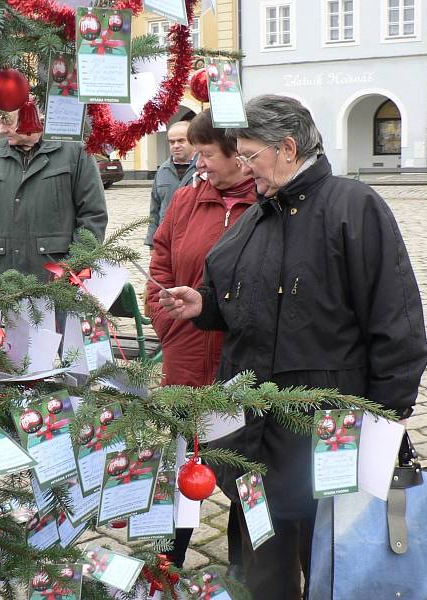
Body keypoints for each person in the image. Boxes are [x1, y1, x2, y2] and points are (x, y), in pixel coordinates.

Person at [158, 95, 427, 600]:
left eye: (249, 154)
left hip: (326, 435)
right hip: (256, 442)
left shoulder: (353, 207)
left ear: (286, 148)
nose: (242, 165)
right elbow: (241, 300)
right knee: (265, 571)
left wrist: (384, 422)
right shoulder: (260, 216)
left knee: (331, 564)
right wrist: (206, 305)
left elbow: (399, 327)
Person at [146, 109, 253, 572]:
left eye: (208, 153)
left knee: (246, 463)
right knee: (182, 454)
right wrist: (168, 323)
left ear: (240, 156)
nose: (200, 163)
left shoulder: (266, 203)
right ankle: (171, 551)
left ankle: (252, 564)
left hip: (244, 362)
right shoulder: (189, 198)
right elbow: (162, 257)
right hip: (187, 351)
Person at [0, 109, 107, 282]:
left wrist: (72, 268)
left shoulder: (74, 151)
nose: (1, 130)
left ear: (32, 117)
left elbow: (93, 215)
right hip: (4, 282)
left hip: (56, 282)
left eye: (7, 121)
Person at [144, 120, 197, 248]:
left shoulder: (204, 168)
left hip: (194, 239)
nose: (176, 145)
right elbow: (154, 210)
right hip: (166, 240)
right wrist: (152, 243)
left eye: (181, 141)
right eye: (172, 142)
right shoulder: (162, 170)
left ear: (193, 141)